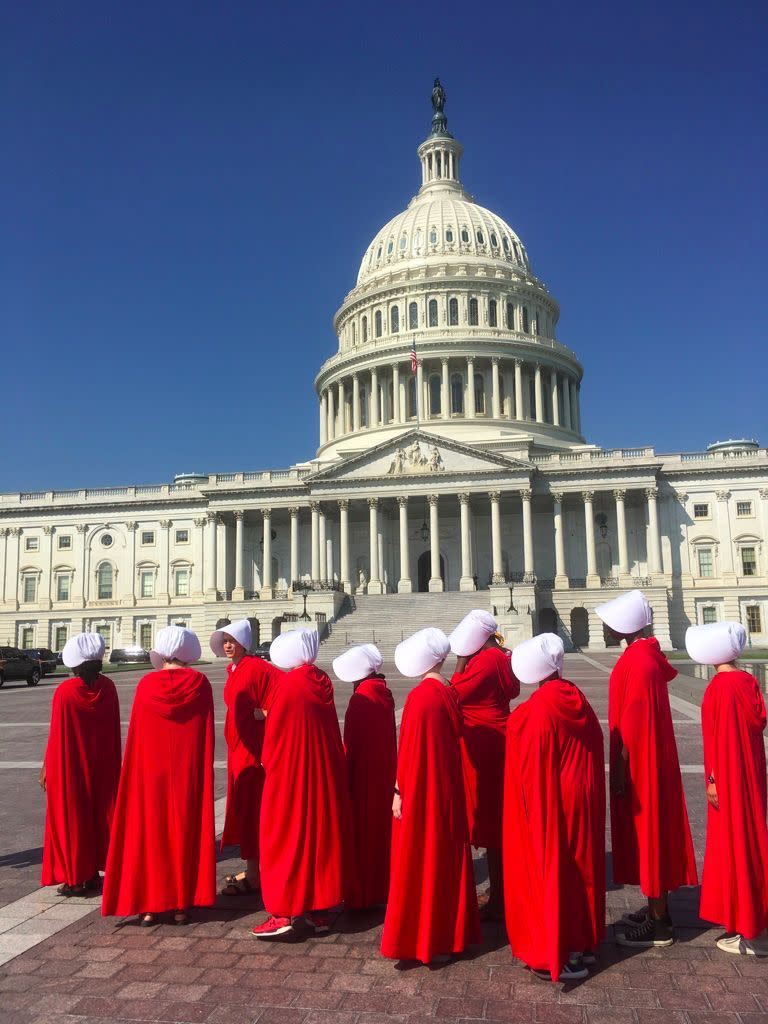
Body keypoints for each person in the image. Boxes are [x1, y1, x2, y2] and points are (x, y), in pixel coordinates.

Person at [597, 590, 697, 947]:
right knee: (651, 834)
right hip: (649, 759)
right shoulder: (642, 655)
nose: (604, 628)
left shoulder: (638, 663)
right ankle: (657, 907)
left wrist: (621, 770)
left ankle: (660, 926)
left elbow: (634, 724)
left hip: (642, 764)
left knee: (649, 833)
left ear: (623, 627)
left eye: (608, 623)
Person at [503, 633, 605, 982]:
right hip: (583, 795)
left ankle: (559, 952)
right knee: (582, 870)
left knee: (553, 870)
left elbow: (529, 768)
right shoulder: (576, 697)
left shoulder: (536, 711)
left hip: (556, 799)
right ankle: (581, 943)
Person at [102, 626, 215, 926]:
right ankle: (180, 904)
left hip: (149, 772)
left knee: (150, 832)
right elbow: (205, 734)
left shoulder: (146, 684)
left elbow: (137, 737)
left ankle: (150, 905)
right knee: (183, 829)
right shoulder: (200, 683)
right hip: (186, 770)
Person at [381, 627, 480, 964]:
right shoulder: (449, 692)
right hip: (447, 790)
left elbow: (409, 751)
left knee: (421, 861)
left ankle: (426, 938)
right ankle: (450, 933)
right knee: (446, 860)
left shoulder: (420, 697)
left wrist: (398, 790)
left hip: (423, 792)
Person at [253, 627, 351, 939]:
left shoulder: (289, 684)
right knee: (317, 838)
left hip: (291, 775)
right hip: (321, 771)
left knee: (283, 837)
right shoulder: (320, 680)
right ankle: (318, 909)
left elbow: (277, 737)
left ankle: (282, 911)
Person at [686, 622, 768, 957]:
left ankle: (751, 931)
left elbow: (719, 737)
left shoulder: (720, 688)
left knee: (735, 845)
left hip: (729, 777)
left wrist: (713, 780)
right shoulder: (748, 681)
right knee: (753, 838)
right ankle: (750, 918)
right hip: (750, 774)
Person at [448, 609, 519, 919]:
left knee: (489, 820)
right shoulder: (501, 657)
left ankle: (501, 894)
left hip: (483, 744)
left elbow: (454, 692)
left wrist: (461, 660)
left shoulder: (485, 661)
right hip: (499, 735)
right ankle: (501, 889)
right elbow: (513, 690)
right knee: (496, 819)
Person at [40, 632, 121, 896]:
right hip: (103, 764)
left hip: (71, 765)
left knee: (72, 816)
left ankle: (75, 875)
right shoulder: (108, 687)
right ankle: (95, 872)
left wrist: (46, 768)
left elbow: (57, 736)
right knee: (100, 815)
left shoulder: (65, 691)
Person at [210, 618, 277, 895]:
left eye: (232, 641)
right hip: (239, 751)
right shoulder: (235, 669)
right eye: (225, 640)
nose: (227, 645)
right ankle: (254, 869)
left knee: (253, 812)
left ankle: (255, 873)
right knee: (247, 811)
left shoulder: (257, 668)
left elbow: (284, 696)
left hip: (253, 753)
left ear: (243, 644)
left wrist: (266, 713)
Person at [334, 643, 396, 910]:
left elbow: (353, 742)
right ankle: (380, 887)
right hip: (383, 771)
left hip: (364, 775)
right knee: (380, 834)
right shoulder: (382, 690)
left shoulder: (361, 698)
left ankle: (364, 893)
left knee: (363, 834)